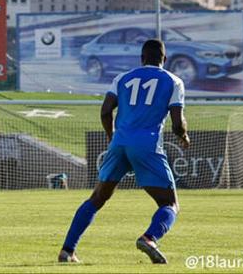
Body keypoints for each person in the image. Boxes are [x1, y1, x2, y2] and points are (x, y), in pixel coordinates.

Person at [58, 39, 190, 264]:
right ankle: (149, 238)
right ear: (164, 60)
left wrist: (111, 136)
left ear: (141, 58)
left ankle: (67, 251)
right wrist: (183, 135)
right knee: (170, 204)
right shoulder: (173, 81)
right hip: (147, 145)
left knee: (98, 197)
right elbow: (177, 123)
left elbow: (105, 111)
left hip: (119, 142)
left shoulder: (122, 78)